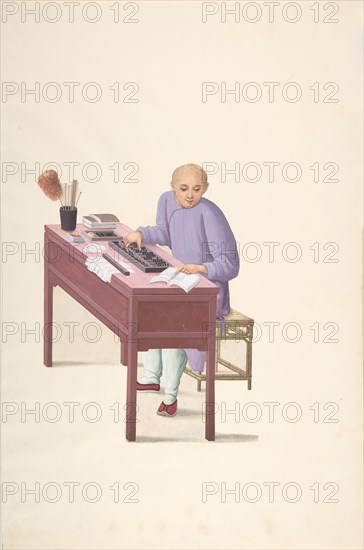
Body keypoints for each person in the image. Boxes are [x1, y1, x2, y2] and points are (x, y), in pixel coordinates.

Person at [123, 163, 240, 416]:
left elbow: (230, 264)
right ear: (172, 186)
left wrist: (201, 268)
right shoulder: (166, 201)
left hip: (210, 289)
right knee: (150, 308)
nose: (190, 195)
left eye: (197, 189)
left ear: (205, 188)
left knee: (172, 323)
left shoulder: (210, 214)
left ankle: (171, 395)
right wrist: (141, 233)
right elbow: (165, 232)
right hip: (182, 279)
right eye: (184, 188)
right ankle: (152, 376)